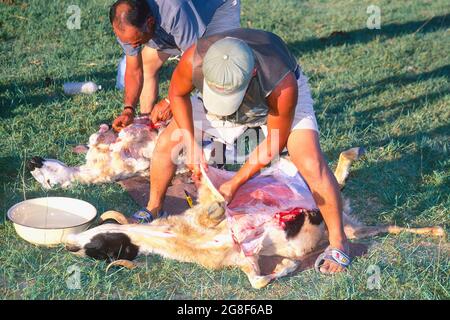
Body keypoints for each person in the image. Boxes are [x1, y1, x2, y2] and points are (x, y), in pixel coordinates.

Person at [147, 28, 352, 274]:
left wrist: (236, 182)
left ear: (253, 71)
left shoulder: (282, 81)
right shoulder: (194, 58)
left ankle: (339, 241)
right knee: (169, 141)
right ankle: (153, 208)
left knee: (311, 162)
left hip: (273, 102)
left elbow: (275, 141)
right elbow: (177, 95)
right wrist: (191, 147)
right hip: (222, 98)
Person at [109, 0, 241, 131]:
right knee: (147, 64)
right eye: (128, 42)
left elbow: (194, 63)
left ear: (150, 22)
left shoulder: (174, 10)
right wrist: (129, 109)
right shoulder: (127, 20)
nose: (132, 46)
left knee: (219, 72)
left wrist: (171, 100)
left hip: (217, 8)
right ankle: (148, 124)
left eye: (137, 43)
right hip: (171, 20)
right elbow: (134, 70)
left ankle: (231, 127)